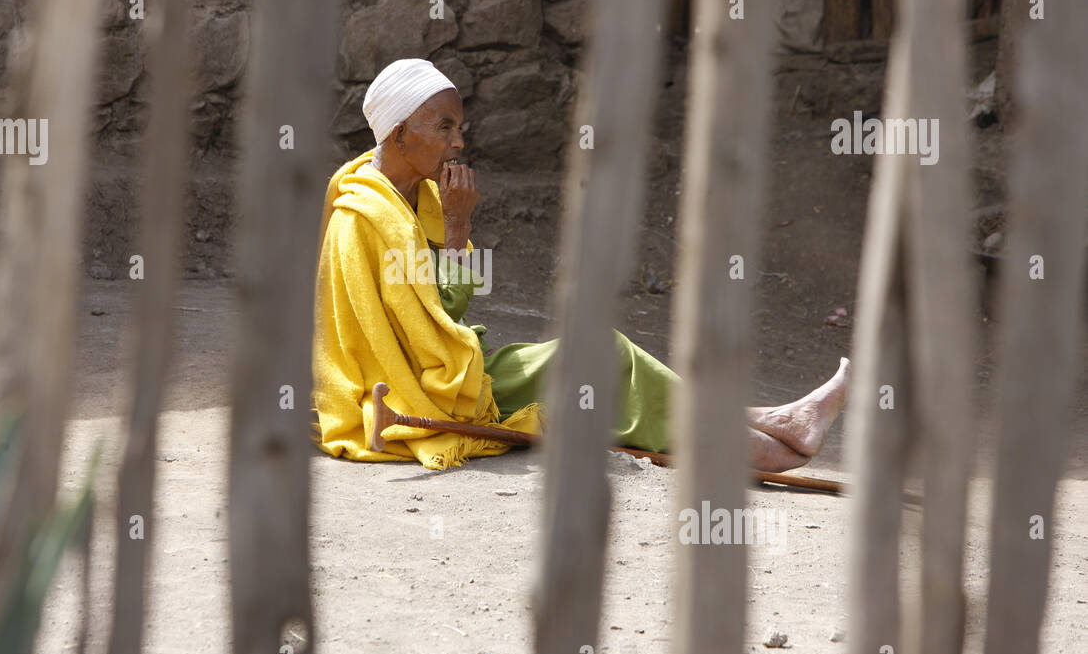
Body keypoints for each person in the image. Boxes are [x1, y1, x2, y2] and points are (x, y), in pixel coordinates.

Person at [311, 58, 849, 471]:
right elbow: (428, 327)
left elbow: (449, 311)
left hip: (452, 368)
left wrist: (455, 225)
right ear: (399, 132)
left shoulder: (420, 196)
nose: (459, 141)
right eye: (445, 127)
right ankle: (760, 443)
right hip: (423, 389)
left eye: (460, 127)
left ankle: (767, 423)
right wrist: (458, 230)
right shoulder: (363, 216)